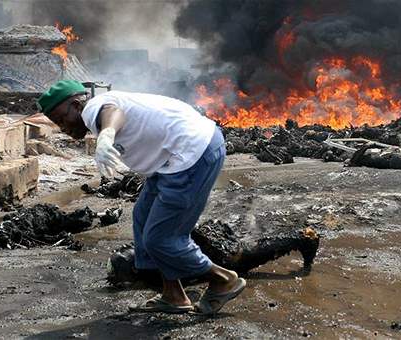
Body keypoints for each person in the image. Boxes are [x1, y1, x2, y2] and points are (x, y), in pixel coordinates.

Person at [37, 80, 246, 314]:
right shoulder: (96, 108)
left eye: (60, 119)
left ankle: (223, 279)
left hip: (192, 154)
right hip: (172, 159)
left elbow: (113, 113)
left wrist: (106, 134)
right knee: (143, 217)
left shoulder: (94, 108)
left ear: (76, 105)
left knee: (163, 239)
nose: (61, 127)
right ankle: (173, 294)